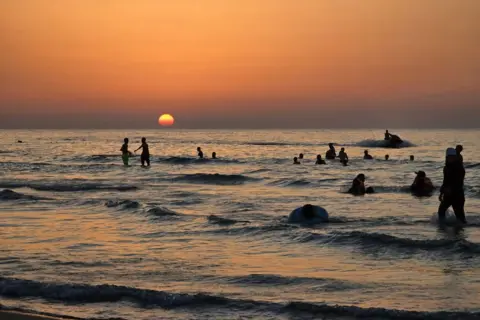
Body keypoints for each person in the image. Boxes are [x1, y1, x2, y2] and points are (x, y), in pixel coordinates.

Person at [438, 148, 466, 224]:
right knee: (441, 210)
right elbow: (445, 181)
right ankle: (442, 227)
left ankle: (461, 232)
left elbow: (459, 182)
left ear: (455, 158)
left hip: (458, 195)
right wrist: (441, 193)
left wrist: (451, 189)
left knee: (460, 216)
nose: (451, 159)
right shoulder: (446, 168)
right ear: (446, 157)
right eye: (449, 157)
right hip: (448, 194)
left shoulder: (460, 168)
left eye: (452, 157)